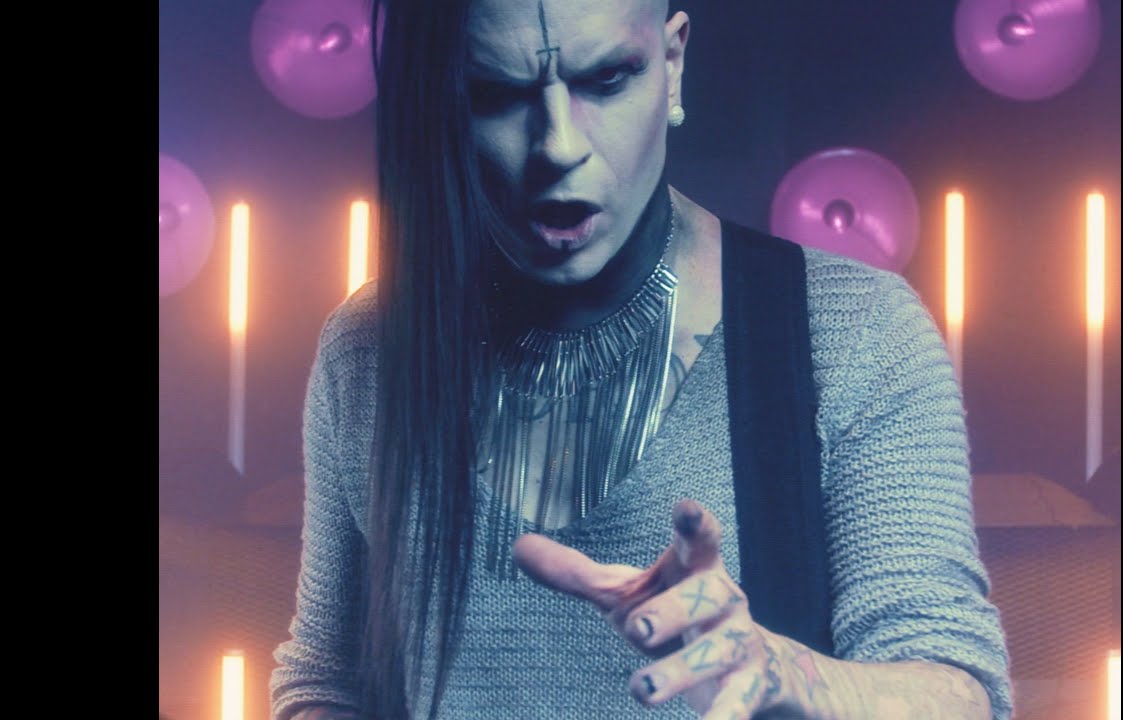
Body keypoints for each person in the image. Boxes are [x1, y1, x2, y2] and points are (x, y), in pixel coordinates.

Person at [270, 0, 1013, 718]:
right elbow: (327, 678)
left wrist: (799, 682)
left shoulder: (850, 332)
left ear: (673, 62)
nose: (558, 145)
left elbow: (959, 688)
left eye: (606, 79)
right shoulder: (367, 347)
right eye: (496, 93)